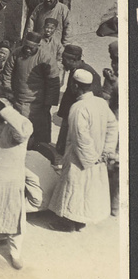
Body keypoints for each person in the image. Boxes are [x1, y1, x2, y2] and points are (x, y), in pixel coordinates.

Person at [48, 69, 118, 232]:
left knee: (73, 189)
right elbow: (113, 126)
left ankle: (68, 223)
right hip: (96, 156)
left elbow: (81, 137)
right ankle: (79, 221)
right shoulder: (100, 102)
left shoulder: (78, 108)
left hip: (80, 158)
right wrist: (104, 153)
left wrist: (90, 158)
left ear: (75, 85)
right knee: (86, 191)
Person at [0, 88, 33, 270]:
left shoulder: (19, 126)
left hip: (12, 181)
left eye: (0, 107)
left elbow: (23, 132)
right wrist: (4, 110)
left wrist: (7, 110)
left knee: (14, 217)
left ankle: (15, 253)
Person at [1, 31, 60, 148]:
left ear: (38, 46)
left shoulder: (45, 58)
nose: (27, 50)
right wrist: (8, 91)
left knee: (38, 134)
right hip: (18, 100)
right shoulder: (16, 53)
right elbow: (7, 74)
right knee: (18, 132)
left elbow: (53, 83)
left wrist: (48, 103)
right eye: (26, 46)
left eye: (31, 48)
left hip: (38, 103)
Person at [55, 44, 102, 156]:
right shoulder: (74, 69)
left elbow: (89, 99)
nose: (62, 62)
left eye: (65, 60)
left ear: (73, 60)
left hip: (78, 116)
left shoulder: (87, 74)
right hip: (70, 114)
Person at [101, 40, 119, 216]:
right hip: (115, 125)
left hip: (118, 126)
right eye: (113, 60)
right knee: (112, 164)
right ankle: (112, 202)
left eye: (117, 60)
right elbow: (105, 101)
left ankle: (114, 202)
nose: (114, 64)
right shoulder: (112, 77)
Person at [39, 18, 64, 85]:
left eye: (51, 28)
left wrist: (55, 68)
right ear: (43, 27)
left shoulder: (57, 42)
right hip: (38, 69)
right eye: (47, 27)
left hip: (52, 70)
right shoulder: (38, 40)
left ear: (55, 30)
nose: (48, 30)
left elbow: (60, 57)